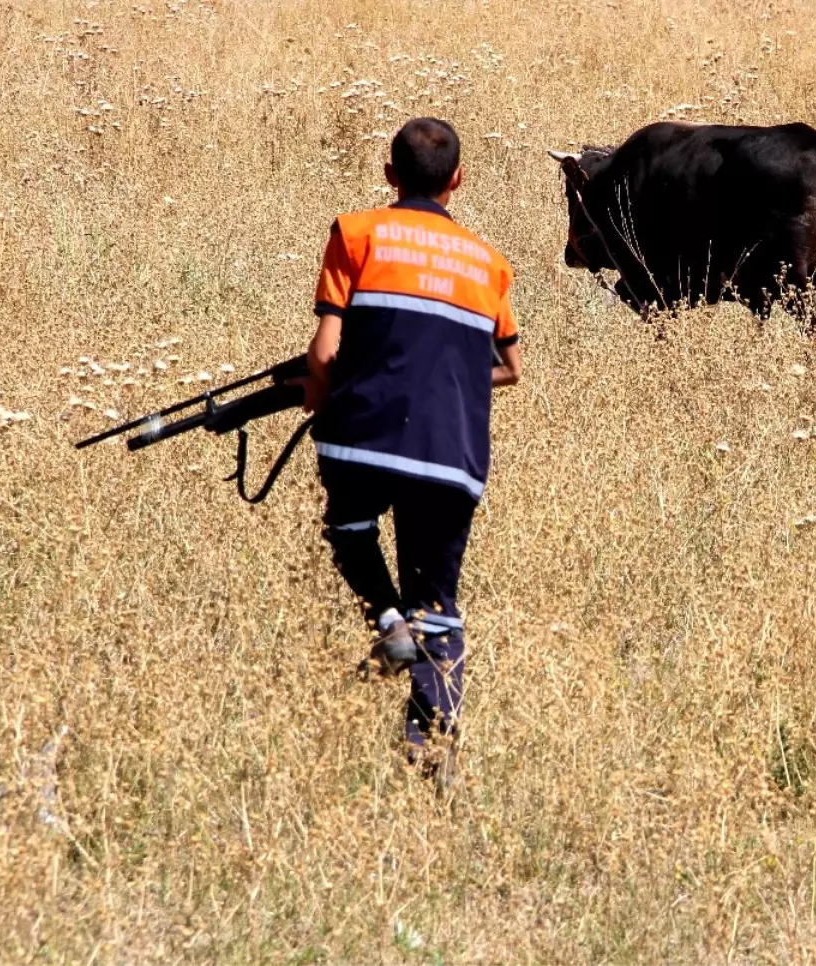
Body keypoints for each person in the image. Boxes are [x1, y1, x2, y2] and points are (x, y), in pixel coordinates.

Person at [294, 117, 521, 778]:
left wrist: (319, 390)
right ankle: (431, 747)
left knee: (351, 526)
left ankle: (387, 620)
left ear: (389, 174)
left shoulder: (357, 233)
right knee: (440, 604)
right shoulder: (490, 264)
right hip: (450, 453)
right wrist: (442, 376)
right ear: (458, 180)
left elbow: (327, 350)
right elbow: (510, 367)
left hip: (363, 434)